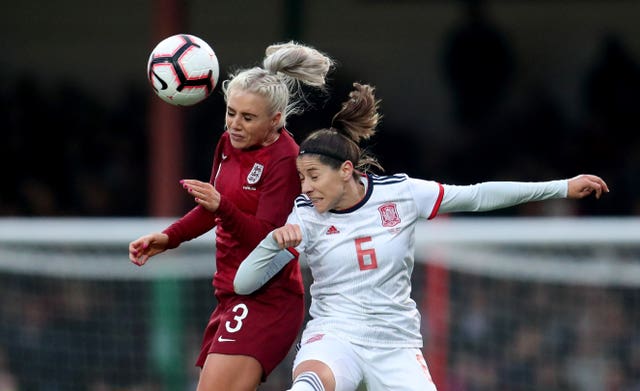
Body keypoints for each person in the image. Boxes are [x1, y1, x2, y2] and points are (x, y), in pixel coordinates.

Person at [233, 83, 609, 391]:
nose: (307, 187)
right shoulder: (303, 216)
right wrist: (272, 243)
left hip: (395, 343)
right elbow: (244, 283)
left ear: (346, 170)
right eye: (302, 178)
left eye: (314, 176)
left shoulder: (402, 193)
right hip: (335, 336)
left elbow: (477, 196)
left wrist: (560, 187)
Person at [128, 41, 334, 391]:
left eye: (248, 117)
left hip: (267, 298)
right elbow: (213, 208)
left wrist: (222, 205)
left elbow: (268, 241)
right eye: (231, 113)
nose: (235, 125)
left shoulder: (285, 160)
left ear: (276, 120)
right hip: (229, 294)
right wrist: (169, 237)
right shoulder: (228, 143)